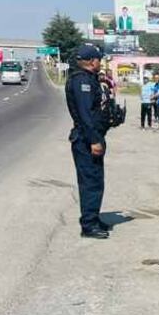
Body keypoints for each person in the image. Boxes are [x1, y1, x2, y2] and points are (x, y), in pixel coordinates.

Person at [65, 44, 111, 239]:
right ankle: (88, 225)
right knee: (90, 182)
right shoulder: (81, 81)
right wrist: (94, 140)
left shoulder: (87, 79)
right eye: (98, 59)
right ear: (92, 61)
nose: (100, 62)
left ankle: (93, 216)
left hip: (91, 136)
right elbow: (85, 115)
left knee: (96, 180)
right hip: (86, 140)